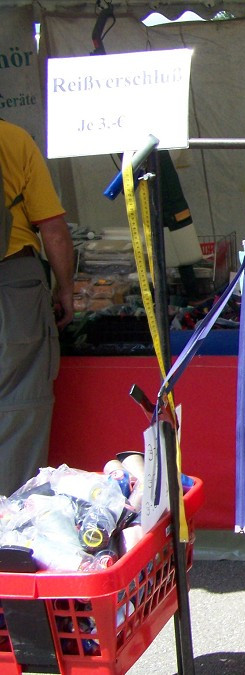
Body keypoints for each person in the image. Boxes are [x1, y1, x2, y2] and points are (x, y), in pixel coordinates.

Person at [0, 119, 75, 497]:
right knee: (19, 405)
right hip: (14, 288)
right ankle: (9, 529)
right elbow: (54, 231)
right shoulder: (13, 139)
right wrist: (65, 289)